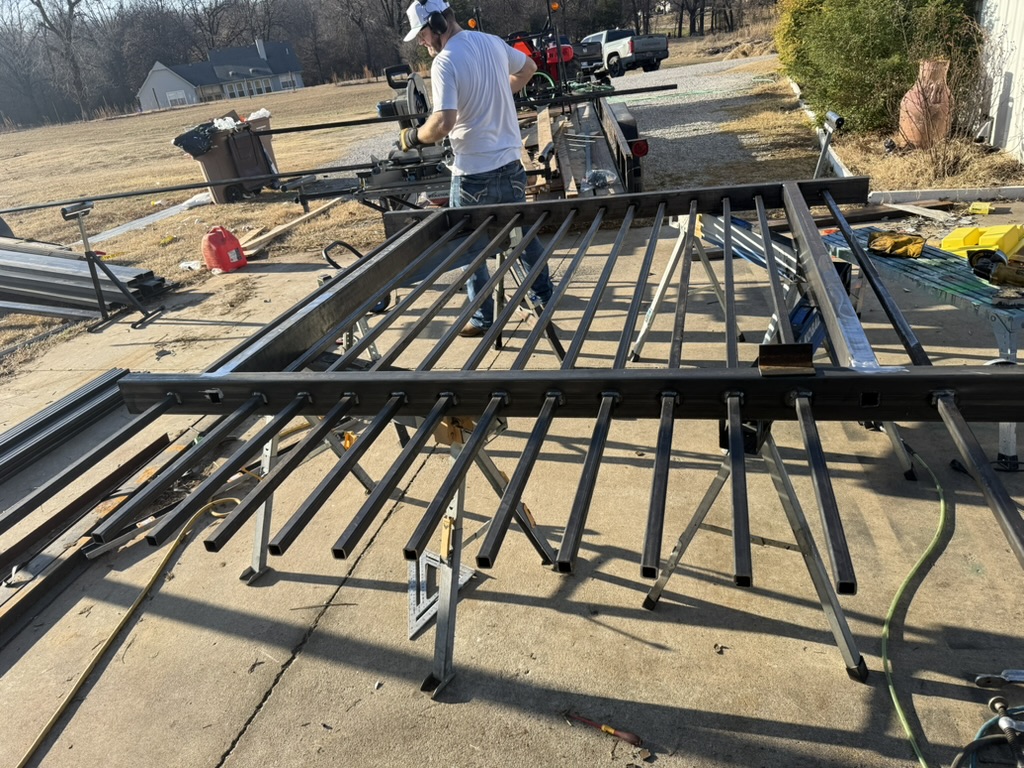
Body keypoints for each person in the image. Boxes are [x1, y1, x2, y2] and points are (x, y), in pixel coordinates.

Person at [399, 0, 554, 338]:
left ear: (436, 25)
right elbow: (527, 69)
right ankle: (545, 299)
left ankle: (484, 319)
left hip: (473, 174)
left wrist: (412, 136)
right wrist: (498, 91)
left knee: (471, 248)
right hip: (511, 164)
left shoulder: (445, 62)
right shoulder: (492, 42)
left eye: (423, 35)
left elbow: (442, 123)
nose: (423, 43)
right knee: (522, 237)